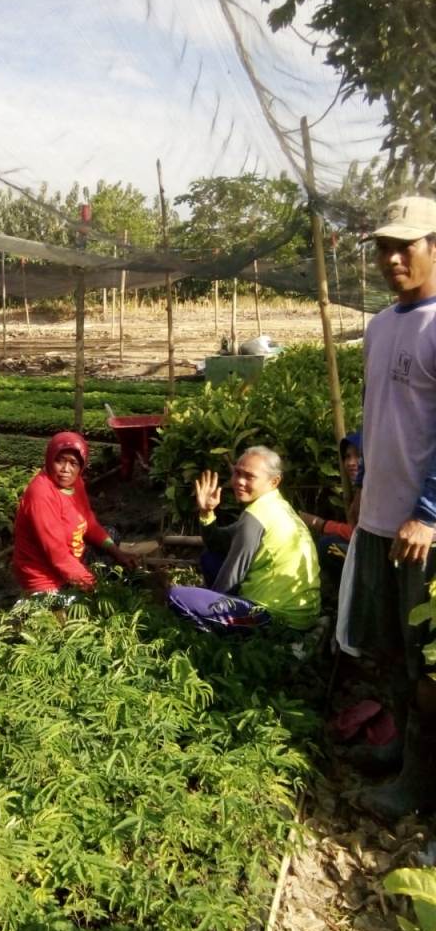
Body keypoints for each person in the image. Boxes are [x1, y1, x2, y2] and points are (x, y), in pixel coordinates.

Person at [345, 196, 436, 818]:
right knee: (396, 653)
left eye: (407, 245)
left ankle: (420, 784)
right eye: (384, 247)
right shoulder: (380, 326)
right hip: (380, 520)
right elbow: (381, 419)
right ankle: (403, 752)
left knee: (431, 666)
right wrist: (363, 474)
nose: (393, 258)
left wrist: (429, 511)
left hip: (422, 532)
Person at [167, 446, 320, 634]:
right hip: (302, 615)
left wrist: (208, 605)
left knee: (176, 597)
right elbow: (218, 543)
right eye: (237, 473)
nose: (239, 481)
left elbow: (231, 578)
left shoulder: (256, 517)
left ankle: (217, 639)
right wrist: (206, 512)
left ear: (274, 481)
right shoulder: (277, 506)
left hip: (277, 618)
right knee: (211, 556)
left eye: (249, 476)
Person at [13, 431, 138, 594]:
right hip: (46, 574)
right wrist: (94, 588)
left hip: (72, 555)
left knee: (110, 535)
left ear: (81, 466)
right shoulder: (41, 494)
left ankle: (84, 576)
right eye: (60, 461)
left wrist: (118, 554)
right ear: (50, 459)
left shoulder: (75, 483)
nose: (66, 469)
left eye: (73, 463)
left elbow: (88, 522)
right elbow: (57, 554)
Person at [300, 432, 361, 585]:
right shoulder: (360, 490)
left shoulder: (374, 491)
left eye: (359, 456)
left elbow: (359, 534)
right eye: (347, 457)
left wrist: (321, 525)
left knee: (328, 545)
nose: (351, 462)